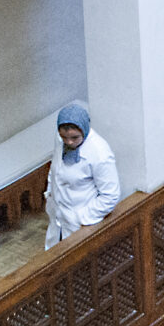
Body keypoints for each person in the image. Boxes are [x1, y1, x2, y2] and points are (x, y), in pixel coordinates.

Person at [43, 100, 120, 248]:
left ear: (84, 130)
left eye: (74, 137)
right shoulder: (60, 140)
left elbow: (110, 196)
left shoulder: (99, 153)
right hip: (58, 219)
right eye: (64, 137)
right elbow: (55, 168)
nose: (69, 142)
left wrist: (81, 218)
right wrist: (50, 194)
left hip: (79, 225)